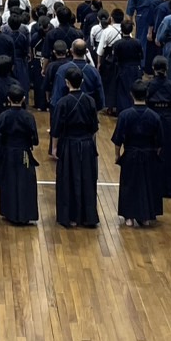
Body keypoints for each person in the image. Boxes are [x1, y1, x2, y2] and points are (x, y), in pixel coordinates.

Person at [50, 66, 99, 229]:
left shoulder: (62, 103)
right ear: (82, 81)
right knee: (87, 180)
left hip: (69, 144)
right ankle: (87, 217)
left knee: (68, 180)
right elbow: (94, 128)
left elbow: (56, 129)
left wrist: (54, 148)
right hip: (87, 144)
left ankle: (70, 217)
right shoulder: (90, 101)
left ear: (66, 82)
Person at [111, 81, 162, 228]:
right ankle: (145, 216)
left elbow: (118, 139)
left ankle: (129, 217)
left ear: (131, 95)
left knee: (129, 185)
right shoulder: (154, 116)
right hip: (149, 154)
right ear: (147, 95)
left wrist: (117, 155)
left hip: (130, 154)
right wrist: (154, 154)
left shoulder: (125, 115)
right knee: (147, 185)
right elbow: (159, 142)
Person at [0, 84, 39, 225]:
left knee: (9, 181)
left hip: (8, 152)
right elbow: (35, 140)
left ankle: (9, 213)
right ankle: (25, 214)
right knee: (25, 182)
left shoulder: (4, 116)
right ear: (24, 99)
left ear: (8, 99)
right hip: (24, 153)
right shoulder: (28, 116)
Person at [144, 56, 171, 197]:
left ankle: (152, 187)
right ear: (166, 69)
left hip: (151, 123)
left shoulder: (147, 86)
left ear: (153, 68)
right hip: (169, 124)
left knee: (153, 154)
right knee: (170, 156)